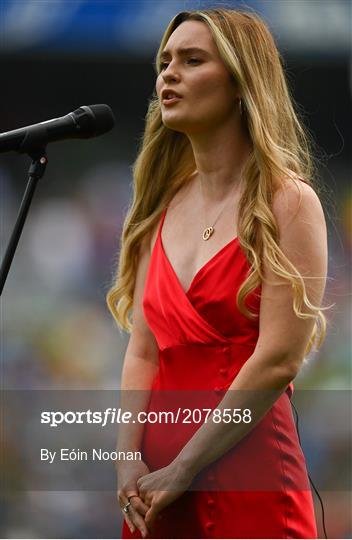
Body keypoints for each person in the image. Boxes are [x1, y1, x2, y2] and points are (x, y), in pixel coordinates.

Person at [106, 8, 331, 539]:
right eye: (164, 63)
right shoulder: (156, 208)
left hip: (245, 475)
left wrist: (186, 466)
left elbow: (278, 359)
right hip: (154, 488)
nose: (169, 74)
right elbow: (142, 349)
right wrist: (124, 457)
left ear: (239, 83)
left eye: (192, 60)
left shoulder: (289, 202)